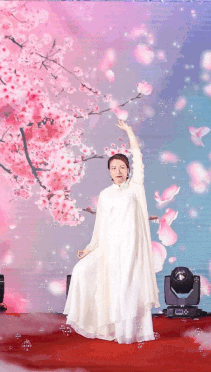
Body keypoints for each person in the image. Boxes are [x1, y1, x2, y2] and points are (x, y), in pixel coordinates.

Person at [63, 120, 160, 343]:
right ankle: (110, 329)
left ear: (128, 170)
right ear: (109, 171)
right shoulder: (105, 195)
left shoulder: (135, 188)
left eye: (122, 167)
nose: (118, 171)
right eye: (114, 168)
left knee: (127, 290)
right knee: (82, 272)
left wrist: (129, 132)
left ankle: (128, 333)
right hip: (110, 249)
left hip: (130, 250)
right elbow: (101, 227)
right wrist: (90, 249)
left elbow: (138, 157)